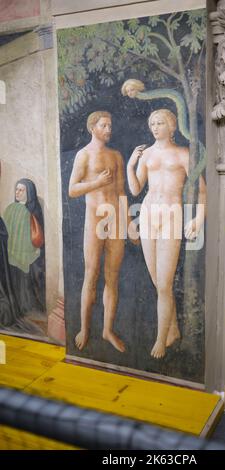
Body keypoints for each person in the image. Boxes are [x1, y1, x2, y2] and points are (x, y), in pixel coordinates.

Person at [127, 109, 206, 359]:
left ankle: (161, 340)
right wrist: (131, 165)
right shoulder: (147, 154)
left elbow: (203, 192)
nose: (155, 127)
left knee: (164, 284)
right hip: (149, 214)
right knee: (158, 282)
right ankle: (173, 330)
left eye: (160, 122)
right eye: (152, 123)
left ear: (172, 126)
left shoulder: (183, 154)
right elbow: (136, 188)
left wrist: (199, 218)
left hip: (171, 217)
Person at [69, 110, 129, 352]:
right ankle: (85, 328)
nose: (108, 129)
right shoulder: (83, 155)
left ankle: (107, 330)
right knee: (91, 275)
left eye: (110, 125)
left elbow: (122, 193)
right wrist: (96, 183)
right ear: (92, 127)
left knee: (112, 278)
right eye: (104, 125)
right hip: (94, 222)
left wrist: (129, 224)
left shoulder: (116, 156)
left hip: (115, 221)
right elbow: (72, 189)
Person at [2, 179, 45, 317]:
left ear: (29, 193)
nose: (18, 192)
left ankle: (27, 308)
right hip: (11, 252)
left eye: (22, 190)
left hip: (28, 254)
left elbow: (37, 235)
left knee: (26, 283)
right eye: (17, 189)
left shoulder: (34, 211)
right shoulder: (10, 209)